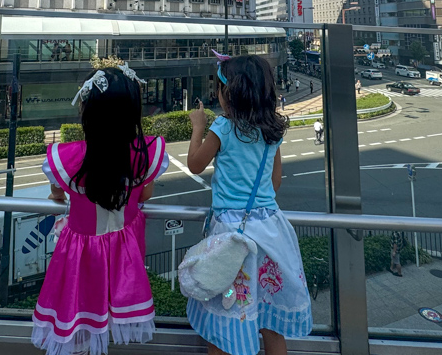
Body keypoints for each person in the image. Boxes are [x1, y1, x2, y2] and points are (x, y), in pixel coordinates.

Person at [31, 65, 168, 355]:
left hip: (80, 251)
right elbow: (145, 193)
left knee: (77, 310)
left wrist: (59, 194)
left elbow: (58, 193)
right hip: (125, 248)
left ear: (87, 110)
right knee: (112, 307)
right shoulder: (147, 152)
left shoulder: (69, 157)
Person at [186, 54, 312, 355]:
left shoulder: (223, 127)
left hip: (232, 234)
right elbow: (275, 183)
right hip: (271, 230)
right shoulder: (273, 131)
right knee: (271, 321)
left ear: (229, 94)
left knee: (223, 322)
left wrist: (197, 126)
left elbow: (194, 164)